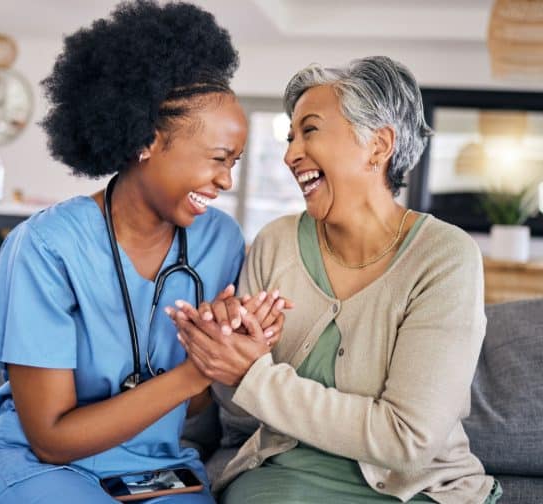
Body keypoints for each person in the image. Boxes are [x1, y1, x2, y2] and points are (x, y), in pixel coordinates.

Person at [0, 2, 286, 503]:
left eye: (234, 162)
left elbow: (192, 412)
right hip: (41, 464)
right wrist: (196, 369)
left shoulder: (219, 241)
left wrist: (229, 347)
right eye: (217, 159)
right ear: (147, 139)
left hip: (154, 466)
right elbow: (51, 439)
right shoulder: (45, 246)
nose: (226, 181)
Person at [170, 56, 503, 503]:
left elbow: (408, 440)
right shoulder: (276, 242)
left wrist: (253, 372)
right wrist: (225, 347)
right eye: (290, 137)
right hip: (281, 477)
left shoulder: (444, 257)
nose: (290, 154)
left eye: (310, 130)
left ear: (378, 145)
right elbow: (239, 414)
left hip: (417, 490)